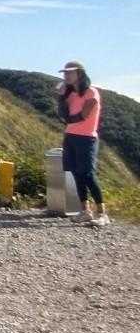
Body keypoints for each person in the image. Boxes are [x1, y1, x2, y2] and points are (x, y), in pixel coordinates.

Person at [56, 61, 108, 226]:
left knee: (87, 174)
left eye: (70, 72)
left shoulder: (91, 92)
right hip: (70, 136)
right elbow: (63, 115)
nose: (66, 75)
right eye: (65, 73)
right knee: (76, 173)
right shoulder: (70, 94)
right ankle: (85, 211)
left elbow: (82, 116)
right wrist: (61, 97)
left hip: (86, 138)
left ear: (80, 74)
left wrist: (66, 116)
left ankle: (102, 213)